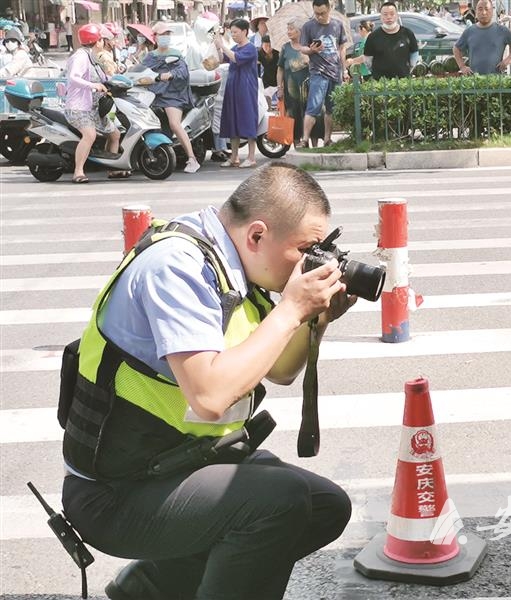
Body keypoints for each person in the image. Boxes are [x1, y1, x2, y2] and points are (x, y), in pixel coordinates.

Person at [60, 162, 355, 600]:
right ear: (257, 234)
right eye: (307, 250)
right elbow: (210, 397)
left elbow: (280, 370)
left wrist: (317, 318)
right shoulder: (177, 266)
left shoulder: (235, 265)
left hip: (180, 463)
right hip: (118, 491)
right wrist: (291, 308)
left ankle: (148, 589)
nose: (311, 264)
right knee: (280, 501)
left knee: (325, 506)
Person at [64, 23, 123, 183]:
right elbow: (73, 78)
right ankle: (78, 172)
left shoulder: (92, 57)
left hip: (94, 108)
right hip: (78, 108)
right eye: (102, 39)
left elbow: (104, 78)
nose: (103, 42)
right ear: (97, 41)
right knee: (90, 135)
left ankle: (112, 169)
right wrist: (93, 86)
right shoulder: (80, 57)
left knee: (115, 134)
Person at [142, 22, 202, 174]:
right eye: (163, 35)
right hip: (153, 94)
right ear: (155, 37)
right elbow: (141, 71)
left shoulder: (175, 55)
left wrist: (171, 75)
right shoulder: (150, 56)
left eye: (168, 34)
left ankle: (192, 158)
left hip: (173, 95)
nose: (166, 37)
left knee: (174, 123)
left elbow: (183, 72)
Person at [298, 0, 348, 148]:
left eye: (322, 13)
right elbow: (302, 48)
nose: (319, 16)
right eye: (316, 13)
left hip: (335, 71)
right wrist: (312, 50)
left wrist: (344, 69)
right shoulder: (308, 26)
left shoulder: (337, 25)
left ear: (329, 9)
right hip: (318, 72)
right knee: (313, 107)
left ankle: (327, 139)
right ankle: (305, 139)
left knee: (331, 108)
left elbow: (342, 48)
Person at [214, 17, 258, 168]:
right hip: (232, 88)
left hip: (245, 89)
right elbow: (222, 59)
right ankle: (234, 157)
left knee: (248, 120)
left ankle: (251, 157)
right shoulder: (235, 47)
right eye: (231, 32)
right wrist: (218, 46)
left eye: (236, 32)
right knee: (232, 121)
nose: (233, 35)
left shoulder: (250, 48)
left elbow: (236, 59)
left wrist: (223, 46)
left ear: (245, 31)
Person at [277, 17, 323, 149]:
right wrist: (279, 87)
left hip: (310, 89)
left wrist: (309, 60)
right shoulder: (285, 48)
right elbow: (280, 69)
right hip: (292, 93)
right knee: (294, 116)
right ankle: (298, 147)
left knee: (313, 115)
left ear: (300, 31)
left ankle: (315, 147)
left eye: (291, 29)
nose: (289, 32)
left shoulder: (310, 47)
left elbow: (322, 65)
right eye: (288, 29)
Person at [454, 0, 511, 75]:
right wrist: (462, 66)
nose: (484, 12)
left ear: (492, 12)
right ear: (476, 12)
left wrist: (510, 58)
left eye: (487, 9)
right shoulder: (469, 31)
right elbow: (456, 48)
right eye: (480, 9)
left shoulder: (501, 30)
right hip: (475, 81)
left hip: (496, 81)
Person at [360, 2, 419, 80]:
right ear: (381, 17)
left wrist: (408, 70)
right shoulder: (373, 37)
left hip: (403, 81)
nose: (389, 17)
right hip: (380, 83)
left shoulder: (408, 33)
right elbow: (368, 60)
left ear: (397, 16)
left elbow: (414, 54)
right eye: (385, 14)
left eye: (392, 14)